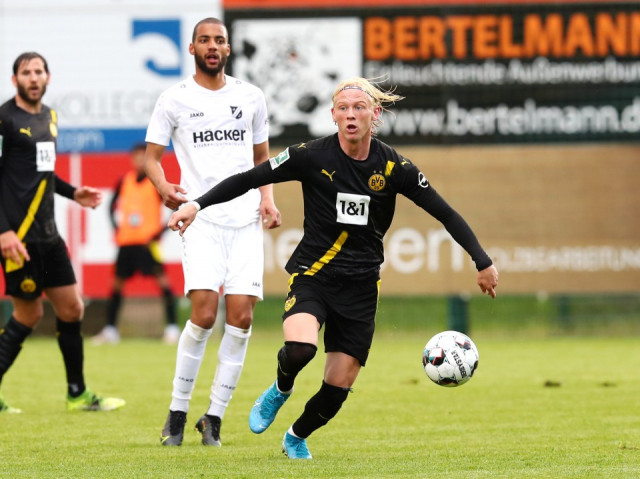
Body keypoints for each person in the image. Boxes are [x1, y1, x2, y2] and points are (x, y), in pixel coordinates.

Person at [168, 77, 499, 459]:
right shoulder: (310, 155)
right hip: (314, 275)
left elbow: (445, 213)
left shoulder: (395, 167)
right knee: (300, 348)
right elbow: (249, 178)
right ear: (333, 115)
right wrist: (196, 204)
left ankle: (295, 436)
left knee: (338, 386)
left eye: (359, 107)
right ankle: (281, 387)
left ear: (375, 114)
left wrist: (482, 261)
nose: (351, 115)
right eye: (343, 108)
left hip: (361, 286)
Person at [144, 17, 281, 447]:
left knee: (241, 319)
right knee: (204, 315)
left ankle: (214, 418)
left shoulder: (250, 96)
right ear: (192, 49)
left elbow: (262, 159)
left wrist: (267, 198)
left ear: (228, 48)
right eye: (204, 40)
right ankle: (177, 412)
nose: (212, 46)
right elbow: (151, 158)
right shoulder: (174, 99)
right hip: (200, 219)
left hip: (245, 222)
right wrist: (164, 186)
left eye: (219, 40)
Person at [0, 52, 125, 413]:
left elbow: (43, 173)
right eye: (26, 72)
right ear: (15, 80)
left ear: (48, 77)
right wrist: (3, 231)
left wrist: (73, 193)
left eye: (39, 71)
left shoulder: (50, 117)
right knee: (29, 315)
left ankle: (77, 394)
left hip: (49, 235)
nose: (33, 77)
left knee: (72, 308)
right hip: (18, 238)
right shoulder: (5, 119)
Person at [92, 142, 179, 345]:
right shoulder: (125, 181)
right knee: (116, 285)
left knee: (163, 283)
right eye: (137, 156)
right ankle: (111, 330)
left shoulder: (155, 183)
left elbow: (175, 206)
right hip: (126, 242)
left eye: (143, 156)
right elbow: (111, 205)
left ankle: (172, 328)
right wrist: (116, 227)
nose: (140, 160)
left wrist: (160, 232)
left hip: (148, 244)